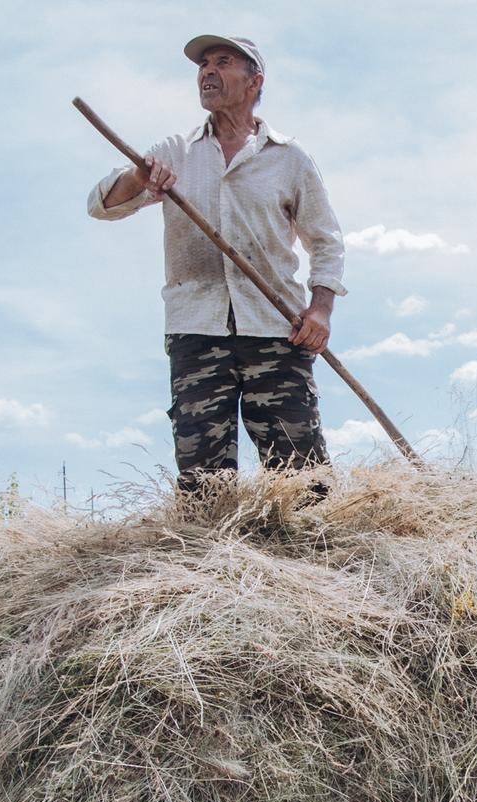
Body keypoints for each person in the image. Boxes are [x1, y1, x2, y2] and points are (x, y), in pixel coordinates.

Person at [88, 34, 345, 491]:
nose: (207, 71)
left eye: (223, 62)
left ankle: (311, 559)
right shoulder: (175, 151)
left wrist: (320, 309)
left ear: (254, 82)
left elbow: (325, 241)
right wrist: (138, 177)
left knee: (303, 478)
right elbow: (102, 205)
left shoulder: (289, 158)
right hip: (196, 330)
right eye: (203, 64)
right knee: (204, 483)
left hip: (276, 329)